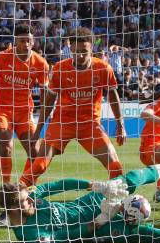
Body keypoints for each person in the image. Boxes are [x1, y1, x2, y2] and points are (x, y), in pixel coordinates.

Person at [0, 161, 160, 243]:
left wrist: (96, 186)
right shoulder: (28, 234)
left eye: (28, 195)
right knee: (142, 234)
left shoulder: (32, 199)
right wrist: (100, 221)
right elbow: (66, 235)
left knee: (128, 181)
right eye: (24, 200)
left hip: (90, 201)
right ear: (12, 209)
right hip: (95, 226)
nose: (30, 199)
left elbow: (59, 185)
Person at [25, 27, 126, 186]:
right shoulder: (60, 68)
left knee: (115, 166)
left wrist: (120, 125)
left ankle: (116, 199)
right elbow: (49, 102)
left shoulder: (103, 68)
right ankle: (16, 193)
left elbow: (113, 95)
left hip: (90, 124)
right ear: (70, 48)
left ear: (91, 48)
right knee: (40, 165)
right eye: (75, 51)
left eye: (84, 51)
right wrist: (38, 131)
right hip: (62, 122)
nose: (79, 55)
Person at [0, 24, 49, 186]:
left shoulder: (41, 64)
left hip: (24, 112)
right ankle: (6, 187)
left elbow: (45, 91)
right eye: (21, 40)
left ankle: (25, 187)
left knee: (36, 152)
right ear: (15, 41)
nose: (25, 44)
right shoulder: (3, 56)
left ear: (33, 42)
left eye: (28, 41)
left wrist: (43, 113)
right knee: (6, 147)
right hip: (2, 109)